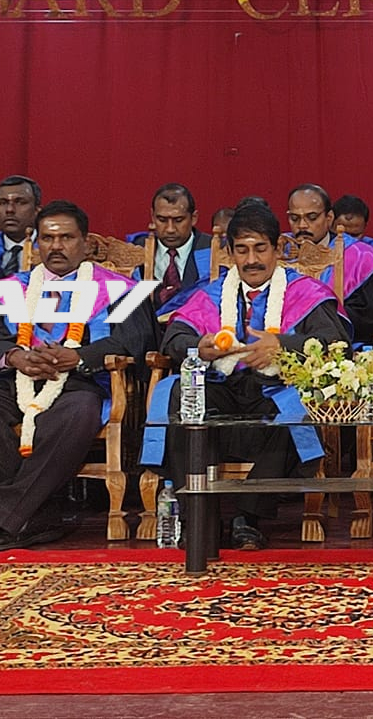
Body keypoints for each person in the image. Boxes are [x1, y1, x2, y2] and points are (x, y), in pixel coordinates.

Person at [0, 201, 155, 552]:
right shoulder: (12, 288)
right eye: (48, 238)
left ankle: (1, 517)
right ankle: (37, 515)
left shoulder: (117, 289)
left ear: (85, 243)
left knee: (77, 412)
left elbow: (135, 339)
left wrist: (80, 357)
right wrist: (14, 356)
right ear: (36, 242)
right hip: (17, 379)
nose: (56, 246)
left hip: (80, 382)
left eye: (66, 238)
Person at [149, 203, 352, 550]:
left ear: (277, 249)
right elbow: (174, 339)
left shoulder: (304, 292)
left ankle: (248, 518)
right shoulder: (211, 295)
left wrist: (283, 346)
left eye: (260, 248)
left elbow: (337, 343)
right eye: (242, 250)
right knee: (181, 392)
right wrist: (200, 347)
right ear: (230, 253)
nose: (251, 260)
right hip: (224, 391)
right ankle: (199, 518)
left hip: (276, 393)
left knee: (298, 407)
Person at [284, 183, 373, 345]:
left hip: (345, 343)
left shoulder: (361, 256)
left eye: (312, 217)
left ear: (329, 218)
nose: (302, 225)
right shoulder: (279, 251)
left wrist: (318, 322)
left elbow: (371, 314)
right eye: (295, 218)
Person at [142, 182, 210, 312]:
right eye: (162, 220)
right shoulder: (137, 251)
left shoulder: (214, 251)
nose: (170, 229)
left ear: (194, 218)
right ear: (152, 217)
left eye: (178, 220)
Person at [0, 175, 40, 283]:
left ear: (37, 210)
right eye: (2, 203)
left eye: (20, 202)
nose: (9, 209)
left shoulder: (48, 248)